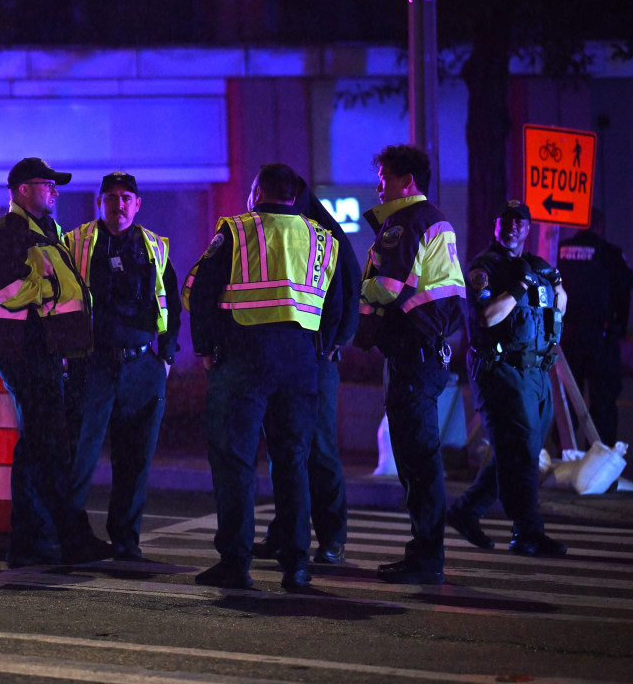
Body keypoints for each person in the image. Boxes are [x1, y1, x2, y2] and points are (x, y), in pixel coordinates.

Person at [183, 163, 341, 590]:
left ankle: (236, 562)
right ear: (294, 195)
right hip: (301, 360)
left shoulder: (237, 230)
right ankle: (297, 565)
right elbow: (335, 302)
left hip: (245, 357)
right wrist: (320, 351)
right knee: (293, 462)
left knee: (235, 460)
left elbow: (201, 291)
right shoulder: (322, 238)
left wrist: (205, 350)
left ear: (257, 193)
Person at [0, 157, 110, 568]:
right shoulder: (6, 232)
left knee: (39, 447)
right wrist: (50, 285)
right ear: (22, 189)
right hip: (25, 352)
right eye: (47, 184)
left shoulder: (46, 230)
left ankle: (32, 540)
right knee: (47, 447)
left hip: (45, 352)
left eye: (56, 186)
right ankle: (67, 538)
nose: (55, 191)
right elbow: (8, 290)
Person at [354, 144, 465, 585]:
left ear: (407, 181)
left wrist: (351, 296)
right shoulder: (431, 219)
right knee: (420, 458)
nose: (379, 187)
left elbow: (386, 286)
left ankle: (426, 557)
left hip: (412, 353)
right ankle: (425, 553)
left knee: (418, 460)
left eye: (384, 178)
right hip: (423, 351)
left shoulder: (407, 221)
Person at [62, 171, 181, 562]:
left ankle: (126, 541)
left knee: (135, 460)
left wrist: (166, 357)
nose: (119, 204)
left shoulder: (153, 246)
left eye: (126, 197)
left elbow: (172, 303)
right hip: (92, 365)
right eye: (110, 197)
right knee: (79, 458)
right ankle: (69, 538)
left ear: (138, 204)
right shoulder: (77, 243)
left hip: (141, 367)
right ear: (98, 202)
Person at [447, 200, 568, 557]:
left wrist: (556, 283)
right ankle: (527, 531)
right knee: (520, 452)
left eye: (521, 222)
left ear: (528, 228)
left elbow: (559, 307)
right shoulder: (484, 267)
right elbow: (486, 317)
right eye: (507, 221)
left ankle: (466, 510)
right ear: (496, 225)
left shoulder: (535, 266)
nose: (514, 226)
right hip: (501, 370)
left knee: (519, 452)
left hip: (536, 372)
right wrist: (519, 285)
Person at [253, 175, 360, 565]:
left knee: (319, 449)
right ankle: (285, 532)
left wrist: (330, 346)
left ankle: (332, 538)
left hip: (315, 361)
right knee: (286, 453)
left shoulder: (320, 239)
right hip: (286, 360)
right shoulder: (279, 236)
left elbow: (345, 291)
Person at [556, 209, 633, 445]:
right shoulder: (610, 253)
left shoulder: (559, 252)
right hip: (600, 337)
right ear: (600, 226)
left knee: (567, 397)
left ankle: (565, 449)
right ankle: (599, 451)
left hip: (566, 336)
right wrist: (620, 330)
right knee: (603, 398)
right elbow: (624, 295)